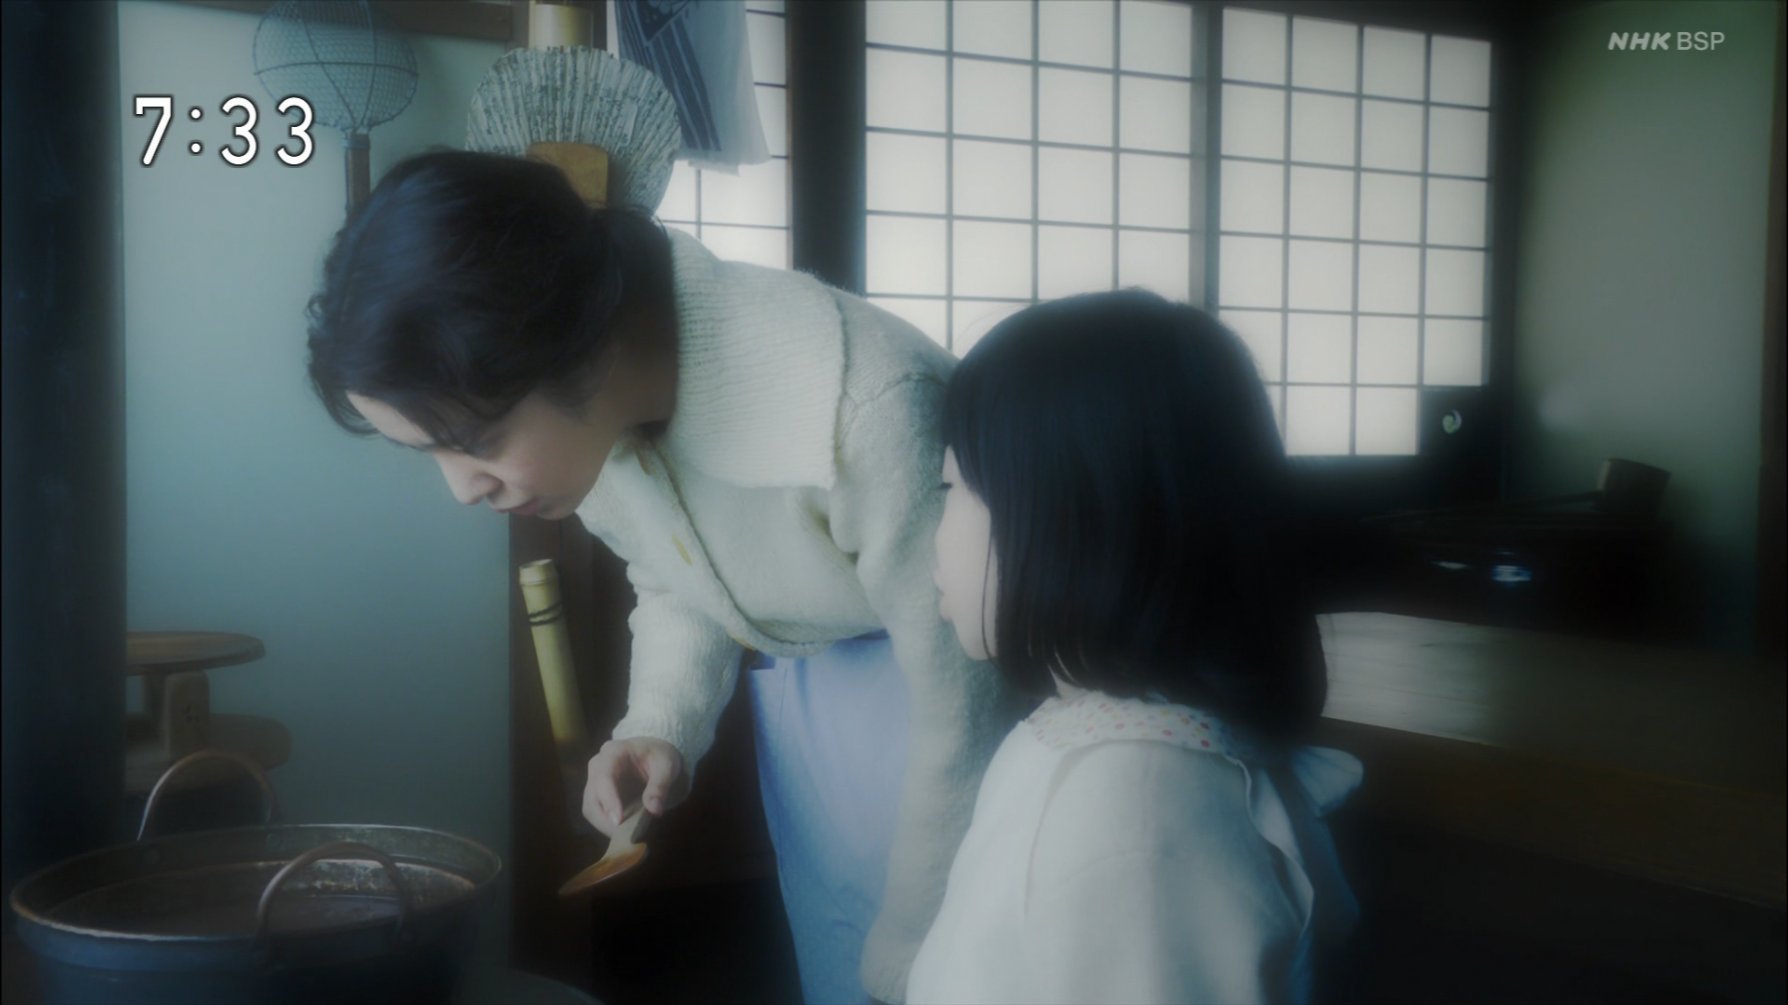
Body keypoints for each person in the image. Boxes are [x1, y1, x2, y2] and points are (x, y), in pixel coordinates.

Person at [305, 150, 1017, 1005]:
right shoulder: (604, 416)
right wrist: (659, 724)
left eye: (477, 441)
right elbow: (682, 575)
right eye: (430, 452)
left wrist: (913, 941)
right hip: (822, 714)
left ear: (573, 346)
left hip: (967, 711)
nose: (462, 489)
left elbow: (964, 705)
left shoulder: (867, 404)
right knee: (844, 962)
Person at [906, 290, 1362, 1005]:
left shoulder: (1133, 816)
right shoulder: (1099, 748)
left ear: (1070, 515)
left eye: (952, 485)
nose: (933, 536)